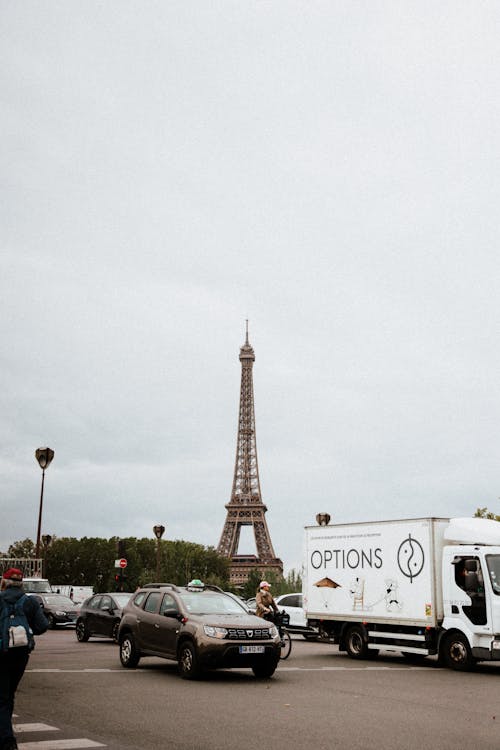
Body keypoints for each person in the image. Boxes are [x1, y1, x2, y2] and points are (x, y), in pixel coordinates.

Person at [0, 568, 48, 750]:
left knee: (2, 697)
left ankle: (7, 740)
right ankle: (5, 731)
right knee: (9, 695)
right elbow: (43, 626)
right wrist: (25, 629)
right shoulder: (29, 601)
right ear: (21, 583)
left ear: (4, 582)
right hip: (21, 654)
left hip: (1, 653)